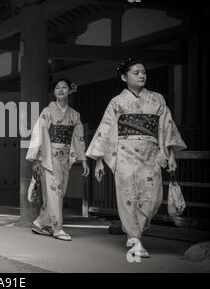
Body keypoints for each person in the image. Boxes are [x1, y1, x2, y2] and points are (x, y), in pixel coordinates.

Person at [86, 57, 186, 257]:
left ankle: (137, 232)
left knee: (154, 199)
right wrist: (98, 160)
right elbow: (106, 129)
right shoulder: (117, 102)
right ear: (124, 77)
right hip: (124, 155)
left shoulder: (157, 99)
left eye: (144, 72)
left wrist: (171, 155)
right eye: (136, 72)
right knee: (128, 197)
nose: (142, 75)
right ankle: (135, 239)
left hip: (151, 155)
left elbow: (166, 127)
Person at [26, 78, 89, 241]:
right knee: (55, 192)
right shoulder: (47, 112)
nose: (61, 90)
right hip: (50, 156)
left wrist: (83, 160)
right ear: (54, 92)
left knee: (58, 193)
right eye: (57, 88)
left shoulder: (75, 115)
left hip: (65, 156)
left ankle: (40, 222)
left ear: (70, 91)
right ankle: (57, 228)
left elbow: (78, 138)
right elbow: (39, 135)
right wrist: (36, 159)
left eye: (64, 87)